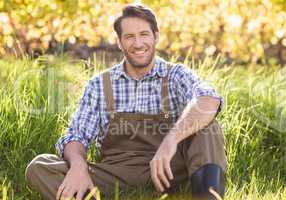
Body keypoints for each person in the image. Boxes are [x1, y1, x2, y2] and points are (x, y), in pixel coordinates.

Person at [25, 3, 227, 200]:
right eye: (129, 37)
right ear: (120, 42)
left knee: (208, 127)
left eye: (144, 35)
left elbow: (209, 100)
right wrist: (79, 166)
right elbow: (76, 135)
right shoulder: (100, 85)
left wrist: (170, 142)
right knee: (39, 167)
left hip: (170, 171)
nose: (138, 43)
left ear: (156, 36)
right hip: (116, 175)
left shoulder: (175, 75)